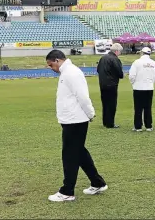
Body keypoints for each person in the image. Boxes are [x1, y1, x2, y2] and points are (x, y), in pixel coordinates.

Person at [46, 50, 108, 202]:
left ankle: (67, 191)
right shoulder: (66, 73)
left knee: (69, 155)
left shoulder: (71, 73)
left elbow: (82, 96)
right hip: (70, 119)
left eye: (51, 64)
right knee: (79, 152)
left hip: (75, 120)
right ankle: (97, 182)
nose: (50, 68)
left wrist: (90, 113)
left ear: (57, 60)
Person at [128, 47, 155, 132]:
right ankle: (148, 126)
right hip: (149, 88)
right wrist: (150, 82)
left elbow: (132, 76)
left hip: (138, 87)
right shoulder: (154, 63)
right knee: (148, 107)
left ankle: (138, 126)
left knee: (138, 108)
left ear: (142, 53)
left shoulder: (137, 62)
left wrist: (134, 83)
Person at [96, 43, 124, 129]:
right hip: (112, 84)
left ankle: (105, 122)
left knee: (105, 104)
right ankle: (110, 123)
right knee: (112, 104)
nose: (120, 53)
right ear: (117, 51)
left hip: (102, 84)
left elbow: (98, 70)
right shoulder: (115, 59)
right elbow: (120, 73)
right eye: (120, 52)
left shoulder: (102, 58)